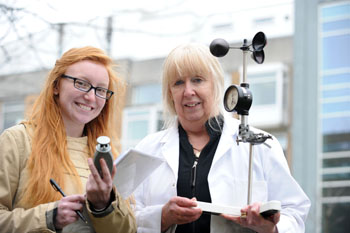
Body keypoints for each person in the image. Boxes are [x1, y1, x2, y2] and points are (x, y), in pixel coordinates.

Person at [133, 43, 310, 233]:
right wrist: (161, 217)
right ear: (170, 93)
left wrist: (271, 229)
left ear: (215, 84)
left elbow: (295, 211)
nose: (188, 91)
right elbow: (126, 218)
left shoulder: (260, 144)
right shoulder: (148, 150)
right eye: (178, 83)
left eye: (198, 80)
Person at [0, 46, 136, 232]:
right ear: (56, 85)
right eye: (81, 83)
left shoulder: (108, 155)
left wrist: (103, 206)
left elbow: (129, 229)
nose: (90, 97)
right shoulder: (17, 141)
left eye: (101, 90)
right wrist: (49, 217)